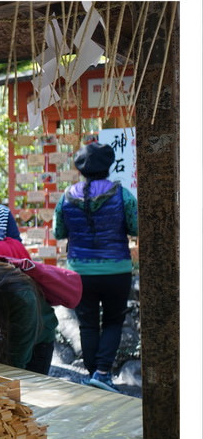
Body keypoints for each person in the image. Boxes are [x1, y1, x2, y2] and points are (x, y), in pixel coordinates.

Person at [52, 142, 138, 393]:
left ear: (80, 168)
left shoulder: (66, 197)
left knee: (87, 325)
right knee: (113, 322)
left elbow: (59, 232)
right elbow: (135, 227)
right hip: (117, 271)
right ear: (108, 166)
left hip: (79, 272)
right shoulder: (123, 195)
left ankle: (93, 375)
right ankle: (102, 372)